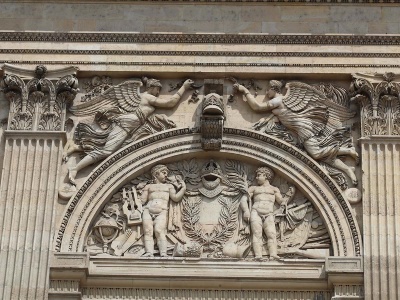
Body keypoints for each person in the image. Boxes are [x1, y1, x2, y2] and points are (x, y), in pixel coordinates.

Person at [64, 78, 194, 185]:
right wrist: (184, 87)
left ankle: (76, 147)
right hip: (127, 125)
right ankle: (75, 169)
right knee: (106, 151)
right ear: (152, 87)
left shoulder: (144, 98)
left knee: (102, 144)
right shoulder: (148, 97)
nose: (159, 92)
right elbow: (170, 103)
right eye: (158, 89)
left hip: (131, 126)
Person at [234, 81, 359, 185]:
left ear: (274, 89)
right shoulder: (280, 102)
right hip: (300, 129)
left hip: (302, 129)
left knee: (316, 153)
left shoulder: (278, 100)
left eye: (268, 90)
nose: (266, 93)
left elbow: (257, 107)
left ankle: (347, 151)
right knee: (325, 156)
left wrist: (245, 91)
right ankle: (348, 170)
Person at [140, 165, 186, 257]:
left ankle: (163, 253)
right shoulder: (149, 187)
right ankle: (149, 252)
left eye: (166, 173)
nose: (166, 175)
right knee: (148, 231)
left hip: (162, 211)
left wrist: (183, 188)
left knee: (159, 230)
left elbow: (176, 198)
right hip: (148, 210)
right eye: (164, 173)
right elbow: (142, 201)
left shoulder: (169, 186)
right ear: (156, 174)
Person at [248, 167, 285, 260]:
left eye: (258, 175)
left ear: (265, 176)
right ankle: (258, 255)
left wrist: (287, 198)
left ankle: (273, 254)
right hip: (256, 212)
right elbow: (245, 199)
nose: (256, 178)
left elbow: (281, 201)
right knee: (257, 234)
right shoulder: (253, 188)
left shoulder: (274, 189)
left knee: (272, 234)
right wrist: (245, 211)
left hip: (269, 214)